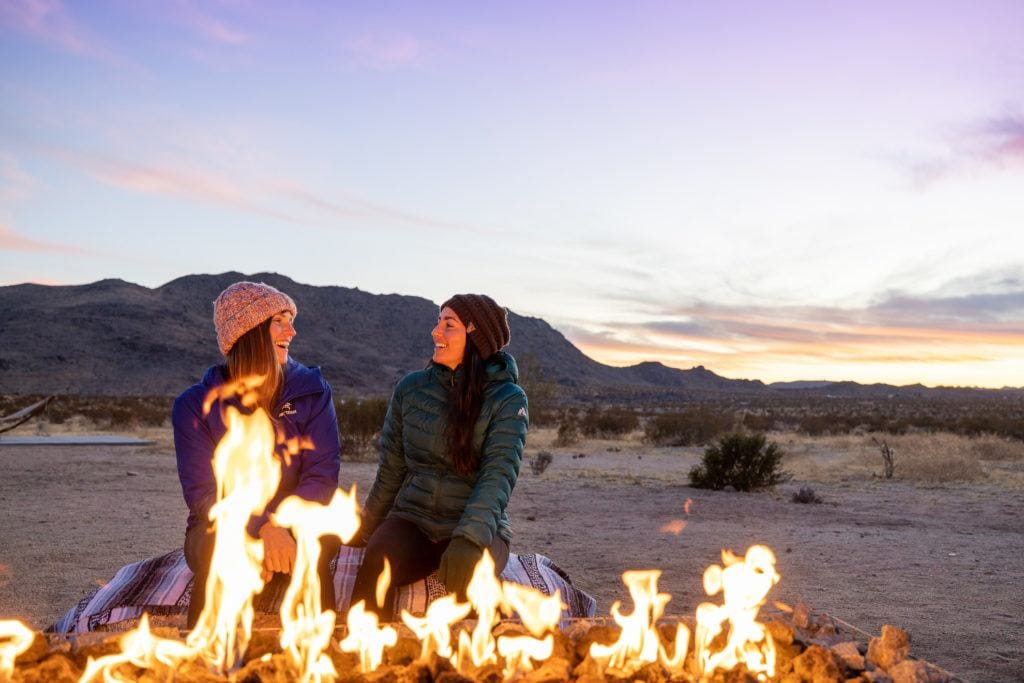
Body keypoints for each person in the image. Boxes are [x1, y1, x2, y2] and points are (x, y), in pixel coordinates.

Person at [173, 281, 341, 628]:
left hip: (295, 522)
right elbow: (204, 494)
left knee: (319, 543)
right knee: (222, 549)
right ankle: (205, 663)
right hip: (221, 523)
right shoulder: (195, 405)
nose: (291, 331)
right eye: (278, 321)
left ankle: (321, 654)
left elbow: (322, 476)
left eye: (290, 320)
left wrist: (278, 527)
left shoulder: (311, 390)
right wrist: (260, 528)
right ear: (247, 332)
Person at [349, 293, 528, 619]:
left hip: (474, 525)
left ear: (476, 337)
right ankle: (359, 657)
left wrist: (469, 539)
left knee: (472, 588)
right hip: (413, 520)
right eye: (438, 321)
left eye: (449, 325)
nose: (435, 332)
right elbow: (392, 467)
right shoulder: (411, 389)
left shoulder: (506, 398)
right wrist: (366, 528)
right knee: (375, 565)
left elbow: (498, 476)